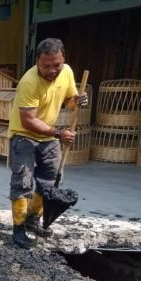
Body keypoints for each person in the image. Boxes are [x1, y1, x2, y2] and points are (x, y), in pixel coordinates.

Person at [7, 37, 88, 248]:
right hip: (24, 136)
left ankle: (33, 220)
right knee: (22, 182)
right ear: (37, 63)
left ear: (63, 60)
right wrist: (59, 133)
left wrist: (78, 101)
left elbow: (70, 102)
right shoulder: (29, 82)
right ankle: (18, 229)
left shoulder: (67, 72)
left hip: (49, 137)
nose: (52, 70)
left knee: (48, 182)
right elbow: (29, 120)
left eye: (57, 65)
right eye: (46, 66)